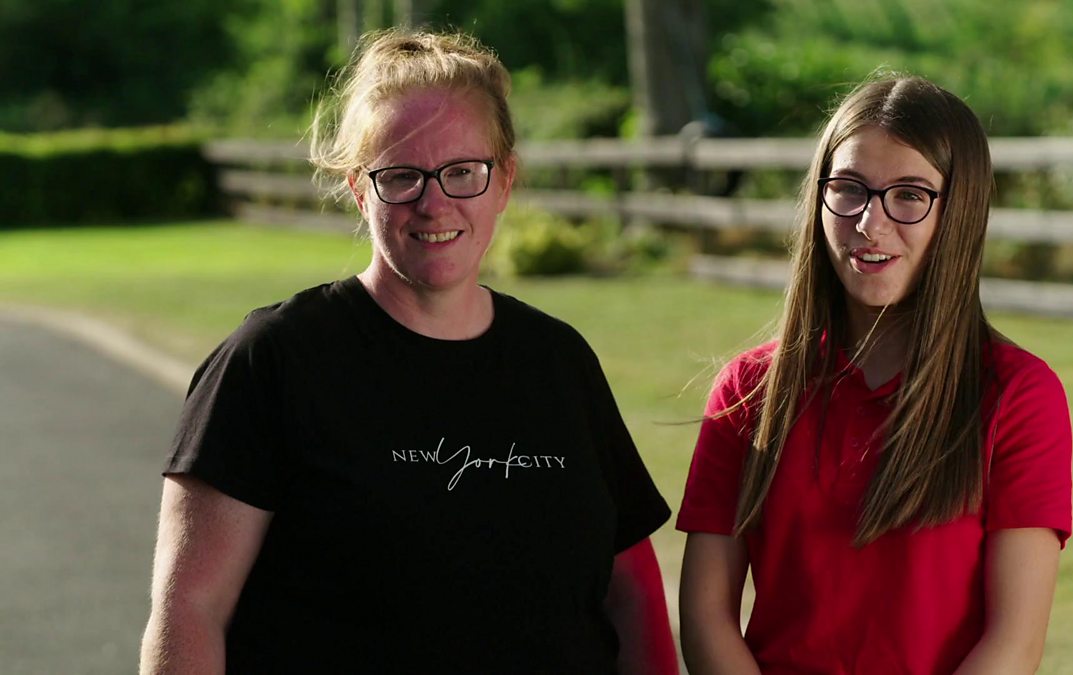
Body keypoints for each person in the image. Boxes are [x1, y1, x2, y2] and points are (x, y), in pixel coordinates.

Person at [139, 29, 677, 675]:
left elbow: (633, 595)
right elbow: (191, 610)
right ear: (359, 189)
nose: (433, 202)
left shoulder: (559, 361)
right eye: (400, 176)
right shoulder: (272, 362)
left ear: (505, 180)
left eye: (462, 172)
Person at [676, 76, 1072, 674]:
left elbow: (1013, 645)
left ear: (960, 211)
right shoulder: (749, 389)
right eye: (849, 188)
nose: (869, 222)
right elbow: (706, 617)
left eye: (909, 195)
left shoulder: (1018, 395)